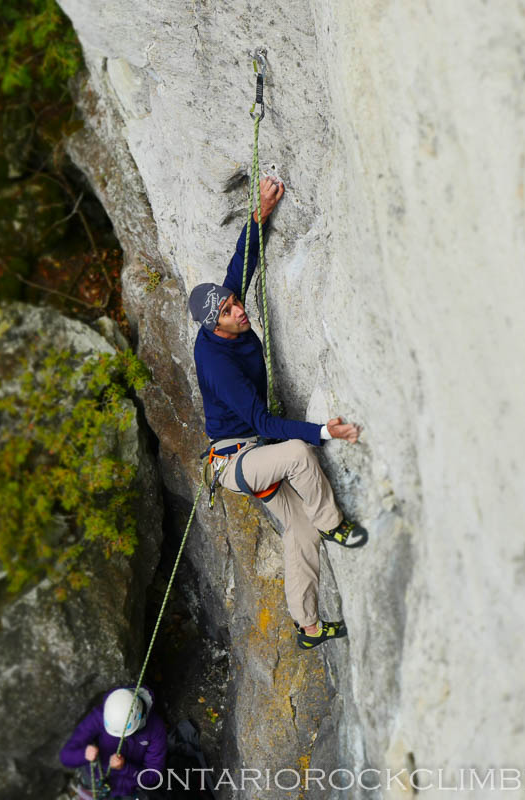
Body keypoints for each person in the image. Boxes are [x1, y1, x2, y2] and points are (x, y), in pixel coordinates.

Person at [188, 176, 368, 650]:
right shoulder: (218, 365)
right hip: (237, 460)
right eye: (228, 312)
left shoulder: (225, 310)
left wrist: (260, 212)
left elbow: (238, 266)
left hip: (252, 452)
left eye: (234, 303)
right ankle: (334, 523)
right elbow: (266, 424)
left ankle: (308, 626)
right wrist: (322, 432)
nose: (239, 310)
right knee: (297, 454)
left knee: (299, 531)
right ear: (215, 325)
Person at [59, 686, 167, 799]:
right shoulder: (101, 715)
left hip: (128, 789)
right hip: (96, 781)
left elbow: (153, 776)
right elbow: (66, 757)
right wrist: (84, 754)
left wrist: (125, 768)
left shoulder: (155, 729)